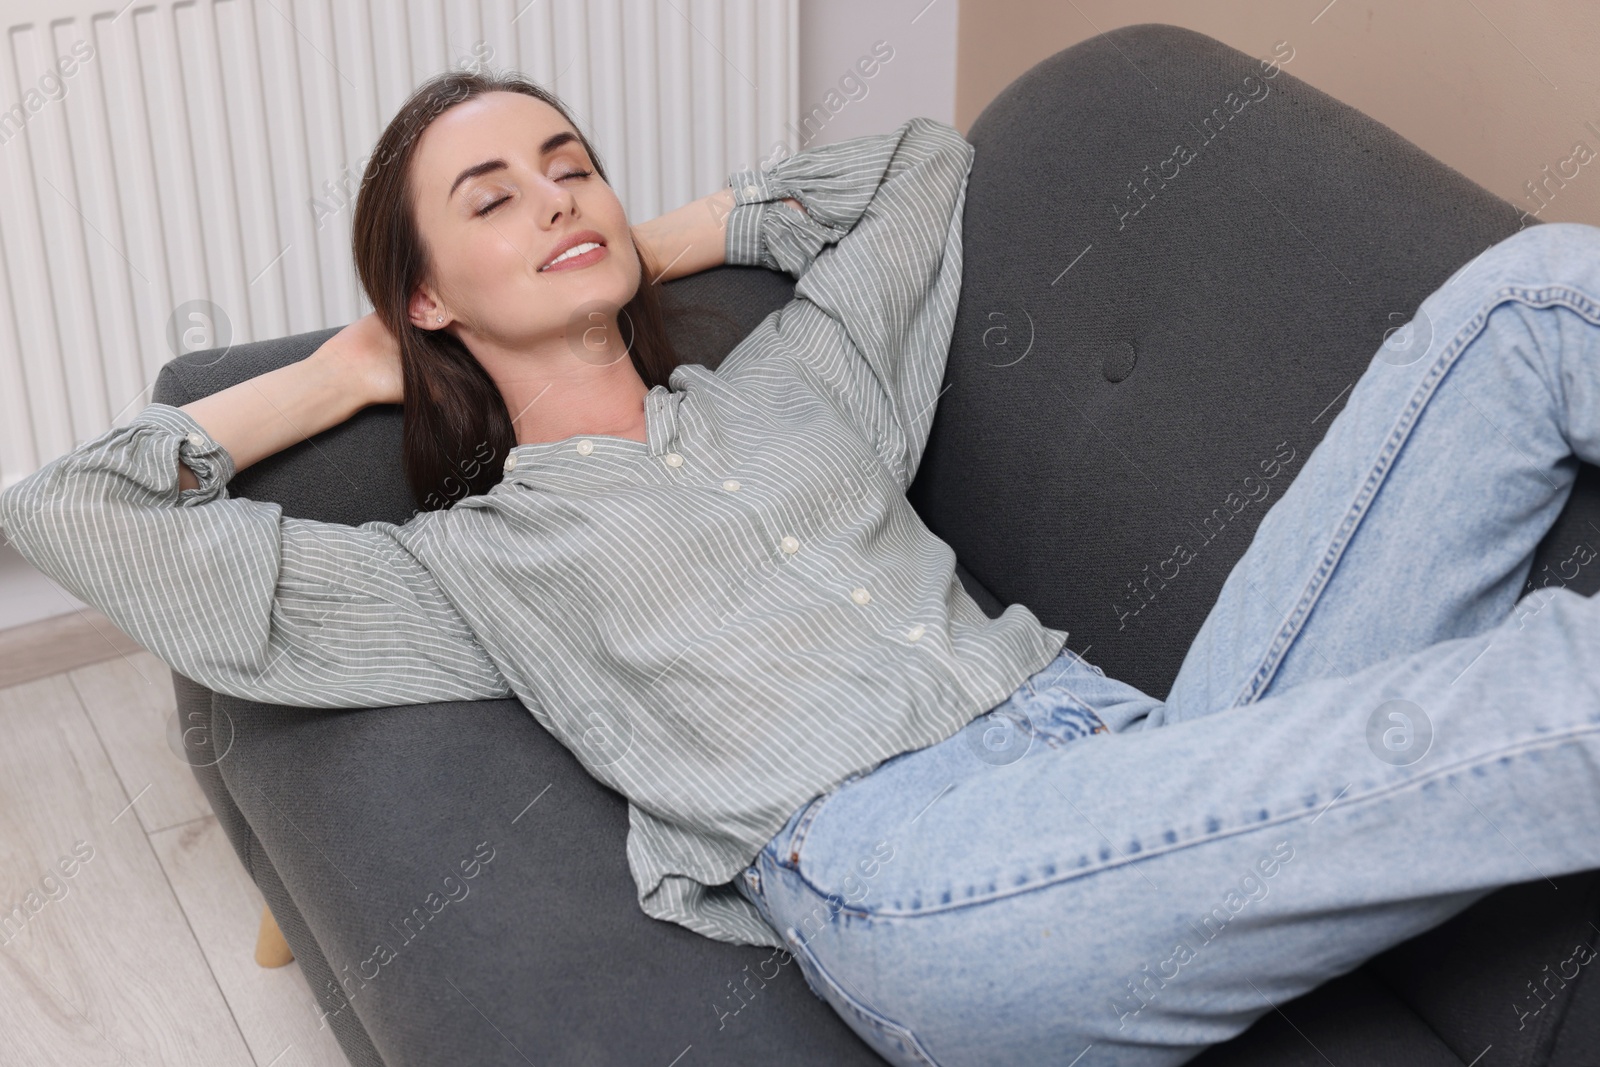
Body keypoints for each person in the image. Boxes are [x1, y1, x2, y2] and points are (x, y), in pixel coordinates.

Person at [2, 68, 1598, 1067]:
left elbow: (918, 166)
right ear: (427, 299)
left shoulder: (807, 380)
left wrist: (651, 241)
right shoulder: (462, 568)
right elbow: (74, 514)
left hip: (1137, 755)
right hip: (919, 886)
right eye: (491, 198)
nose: (557, 192)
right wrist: (349, 371)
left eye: (571, 163)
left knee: (1525, 306)